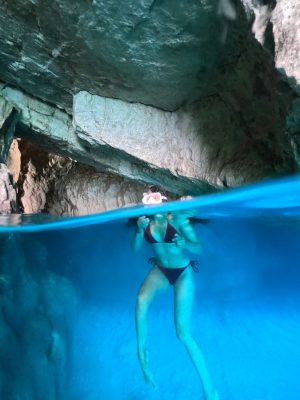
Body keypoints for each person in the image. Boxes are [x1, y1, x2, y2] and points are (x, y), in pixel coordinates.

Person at [132, 187, 218, 400]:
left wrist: (185, 242)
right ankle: (142, 357)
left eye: (155, 198)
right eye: (147, 199)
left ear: (163, 200)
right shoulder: (145, 223)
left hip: (183, 274)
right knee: (141, 300)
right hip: (160, 270)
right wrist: (137, 231)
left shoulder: (178, 219)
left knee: (183, 334)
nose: (151, 202)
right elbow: (134, 249)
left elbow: (197, 248)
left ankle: (210, 390)